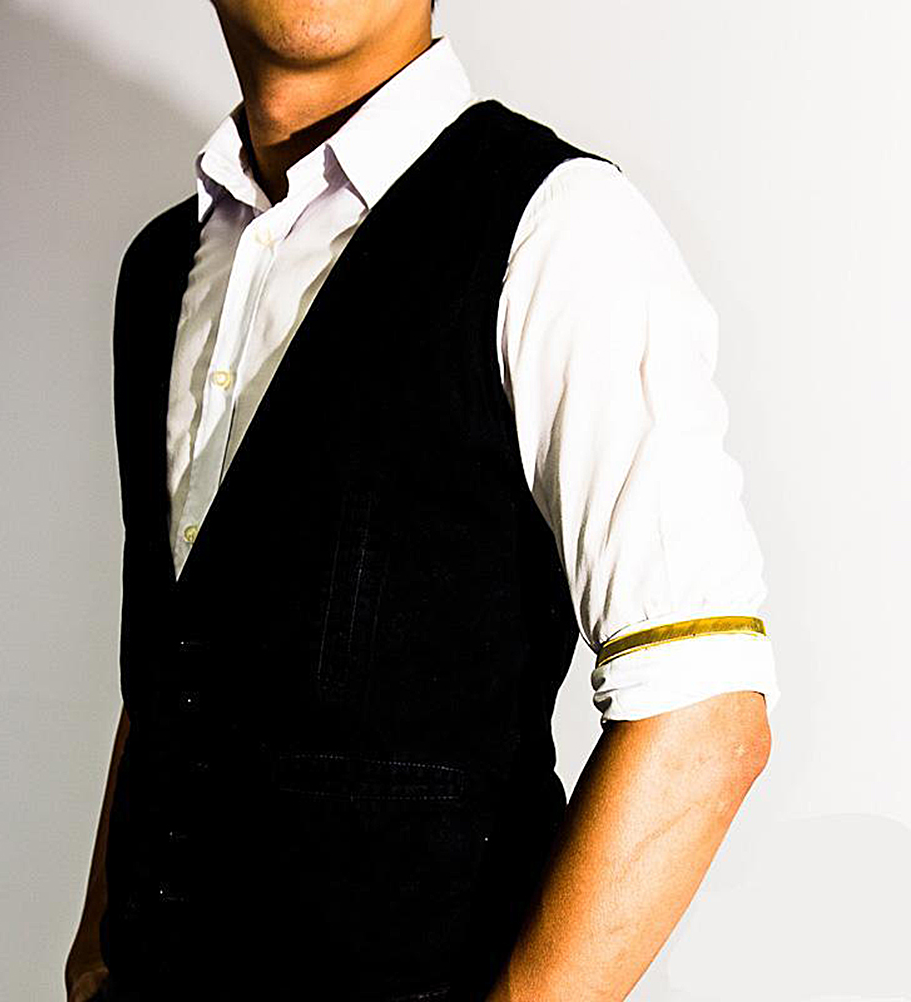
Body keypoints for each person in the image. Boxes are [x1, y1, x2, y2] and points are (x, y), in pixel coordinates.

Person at [65, 2, 780, 1000]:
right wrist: (96, 957)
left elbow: (705, 716)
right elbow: (175, 662)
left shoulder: (558, 226)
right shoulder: (161, 269)